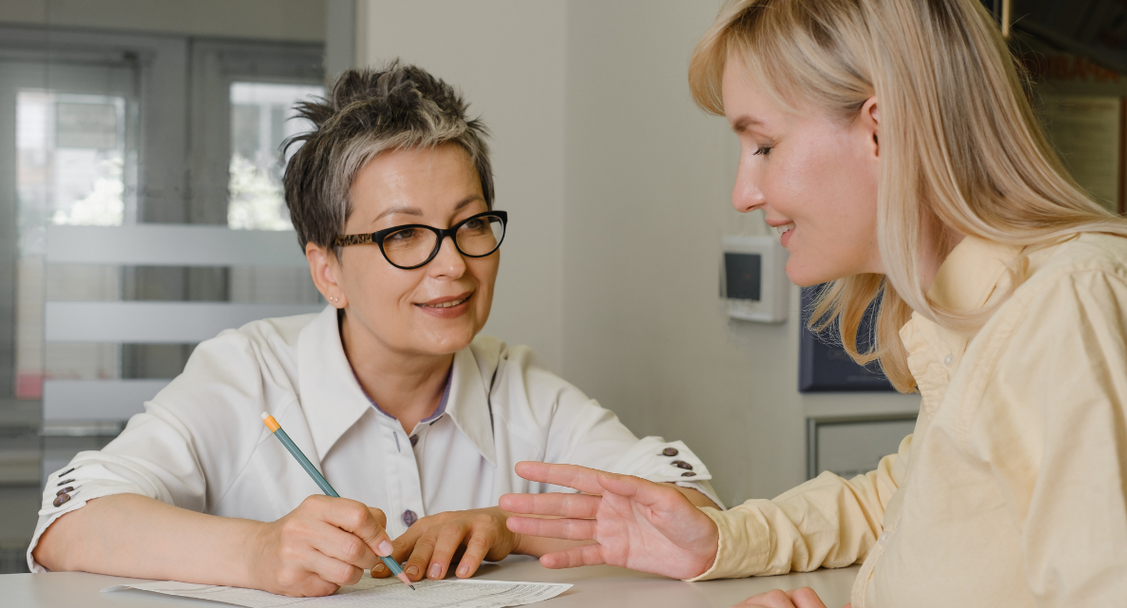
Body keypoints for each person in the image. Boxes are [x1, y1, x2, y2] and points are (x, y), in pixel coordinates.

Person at [499, 0, 1127, 607]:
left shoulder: (1064, 310)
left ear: (880, 129)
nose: (743, 193)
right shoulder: (978, 314)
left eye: (764, 145)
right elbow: (905, 498)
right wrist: (719, 540)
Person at [28, 62, 719, 596]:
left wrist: (512, 528)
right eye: (404, 235)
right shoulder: (247, 374)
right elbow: (69, 522)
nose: (453, 264)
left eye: (472, 223)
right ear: (326, 269)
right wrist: (257, 551)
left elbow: (694, 511)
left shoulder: (519, 385)